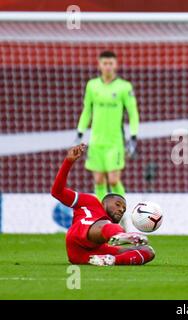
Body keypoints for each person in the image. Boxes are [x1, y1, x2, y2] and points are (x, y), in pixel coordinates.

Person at [51, 144, 154, 266]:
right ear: (104, 202)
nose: (121, 209)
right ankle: (120, 235)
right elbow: (57, 192)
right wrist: (68, 162)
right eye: (118, 204)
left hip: (85, 255)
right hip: (79, 234)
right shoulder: (90, 201)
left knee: (148, 251)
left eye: (124, 209)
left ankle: (111, 260)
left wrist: (114, 257)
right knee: (106, 225)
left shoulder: (108, 226)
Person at [75, 50, 139, 201]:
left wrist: (133, 136)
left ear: (116, 65)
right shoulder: (92, 86)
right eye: (105, 63)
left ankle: (121, 210)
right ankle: (103, 214)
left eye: (111, 63)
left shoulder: (124, 87)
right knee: (98, 180)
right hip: (96, 141)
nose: (108, 67)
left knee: (113, 180)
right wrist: (79, 133)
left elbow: (133, 113)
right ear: (100, 65)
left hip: (115, 142)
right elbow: (87, 111)